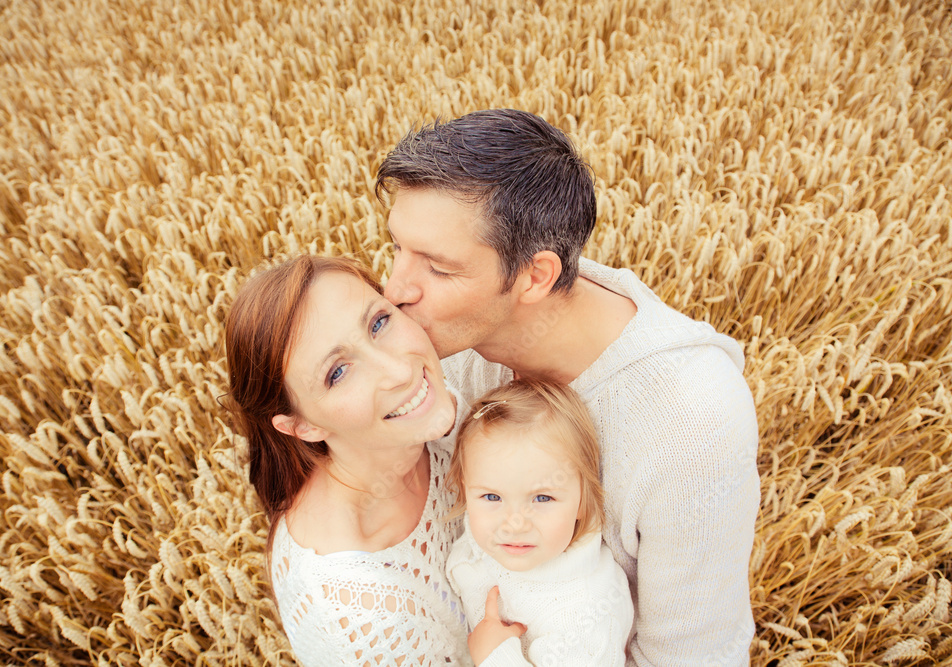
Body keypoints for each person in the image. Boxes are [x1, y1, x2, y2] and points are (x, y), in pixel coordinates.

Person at [376, 109, 761, 666]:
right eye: (395, 248)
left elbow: (691, 657)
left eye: (438, 267)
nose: (394, 290)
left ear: (536, 276)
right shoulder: (450, 336)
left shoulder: (692, 422)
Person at [223, 255, 471, 665]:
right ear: (302, 426)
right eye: (338, 372)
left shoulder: (443, 403)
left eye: (378, 323)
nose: (399, 372)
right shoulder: (360, 617)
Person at [445, 379, 634, 666]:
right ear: (465, 490)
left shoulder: (588, 611)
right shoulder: (480, 535)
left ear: (583, 500)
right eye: (492, 497)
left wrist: (494, 657)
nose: (514, 523)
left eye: (542, 499)